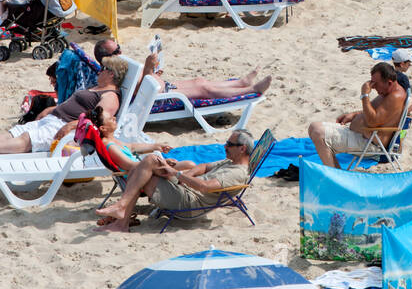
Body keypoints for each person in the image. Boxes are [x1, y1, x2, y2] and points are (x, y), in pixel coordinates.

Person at [95, 130, 255, 232]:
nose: (225, 146)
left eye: (230, 144)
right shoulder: (231, 161)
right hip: (186, 189)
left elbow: (205, 187)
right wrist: (184, 176)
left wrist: (177, 175)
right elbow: (205, 166)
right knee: (150, 163)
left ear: (242, 149)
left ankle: (122, 214)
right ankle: (122, 217)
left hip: (191, 203)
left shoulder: (236, 173)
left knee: (146, 165)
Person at [0, 58, 129, 155]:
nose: (99, 72)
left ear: (111, 74)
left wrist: (72, 125)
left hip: (63, 126)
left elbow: (98, 120)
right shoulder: (97, 88)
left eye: (102, 69)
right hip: (54, 119)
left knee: (26, 139)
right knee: (13, 132)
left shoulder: (111, 96)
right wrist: (52, 109)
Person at [308, 62, 408, 169]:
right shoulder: (387, 93)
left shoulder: (395, 97)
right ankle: (338, 174)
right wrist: (354, 114)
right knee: (313, 127)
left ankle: (336, 176)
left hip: (372, 144)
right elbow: (374, 112)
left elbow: (372, 121)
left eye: (375, 84)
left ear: (389, 83)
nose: (373, 87)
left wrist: (365, 95)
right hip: (363, 137)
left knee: (318, 133)